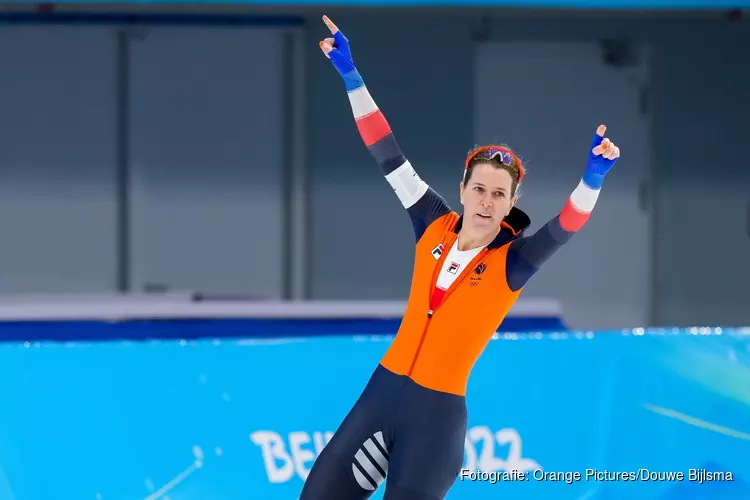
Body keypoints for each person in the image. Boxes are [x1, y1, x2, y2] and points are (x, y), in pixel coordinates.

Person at [301, 15, 621, 500]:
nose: (487, 201)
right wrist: (352, 77)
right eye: (479, 189)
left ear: (511, 203)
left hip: (433, 421)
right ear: (463, 190)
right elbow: (385, 151)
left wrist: (593, 177)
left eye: (499, 193)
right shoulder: (431, 220)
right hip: (380, 396)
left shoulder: (515, 261)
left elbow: (566, 227)